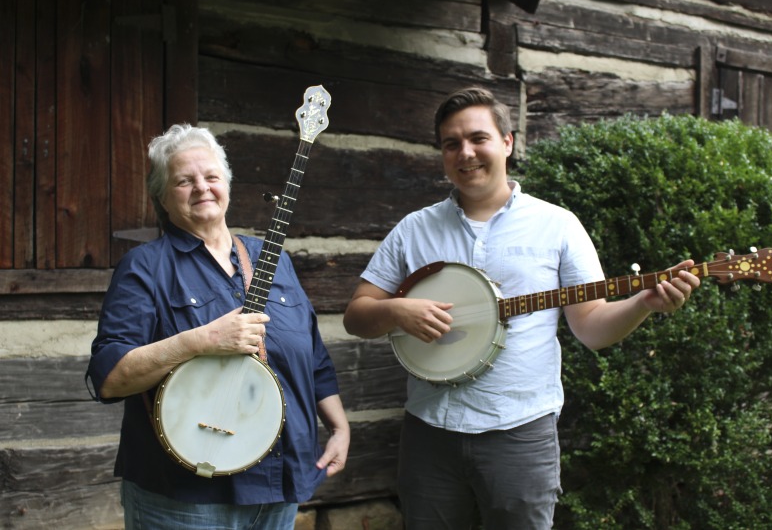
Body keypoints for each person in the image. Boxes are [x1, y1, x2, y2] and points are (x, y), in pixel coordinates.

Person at [342, 87, 700, 529]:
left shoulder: (558, 226)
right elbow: (357, 315)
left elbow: (590, 327)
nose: (465, 153)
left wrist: (643, 303)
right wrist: (397, 312)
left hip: (520, 433)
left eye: (478, 138)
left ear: (507, 143)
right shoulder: (414, 230)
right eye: (451, 144)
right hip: (430, 432)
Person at [86, 123, 349, 529]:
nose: (202, 188)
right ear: (161, 196)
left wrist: (338, 425)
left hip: (280, 484)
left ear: (227, 184)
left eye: (211, 177)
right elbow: (109, 378)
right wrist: (204, 339)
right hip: (188, 496)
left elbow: (311, 354)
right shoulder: (145, 267)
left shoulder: (273, 258)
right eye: (183, 181)